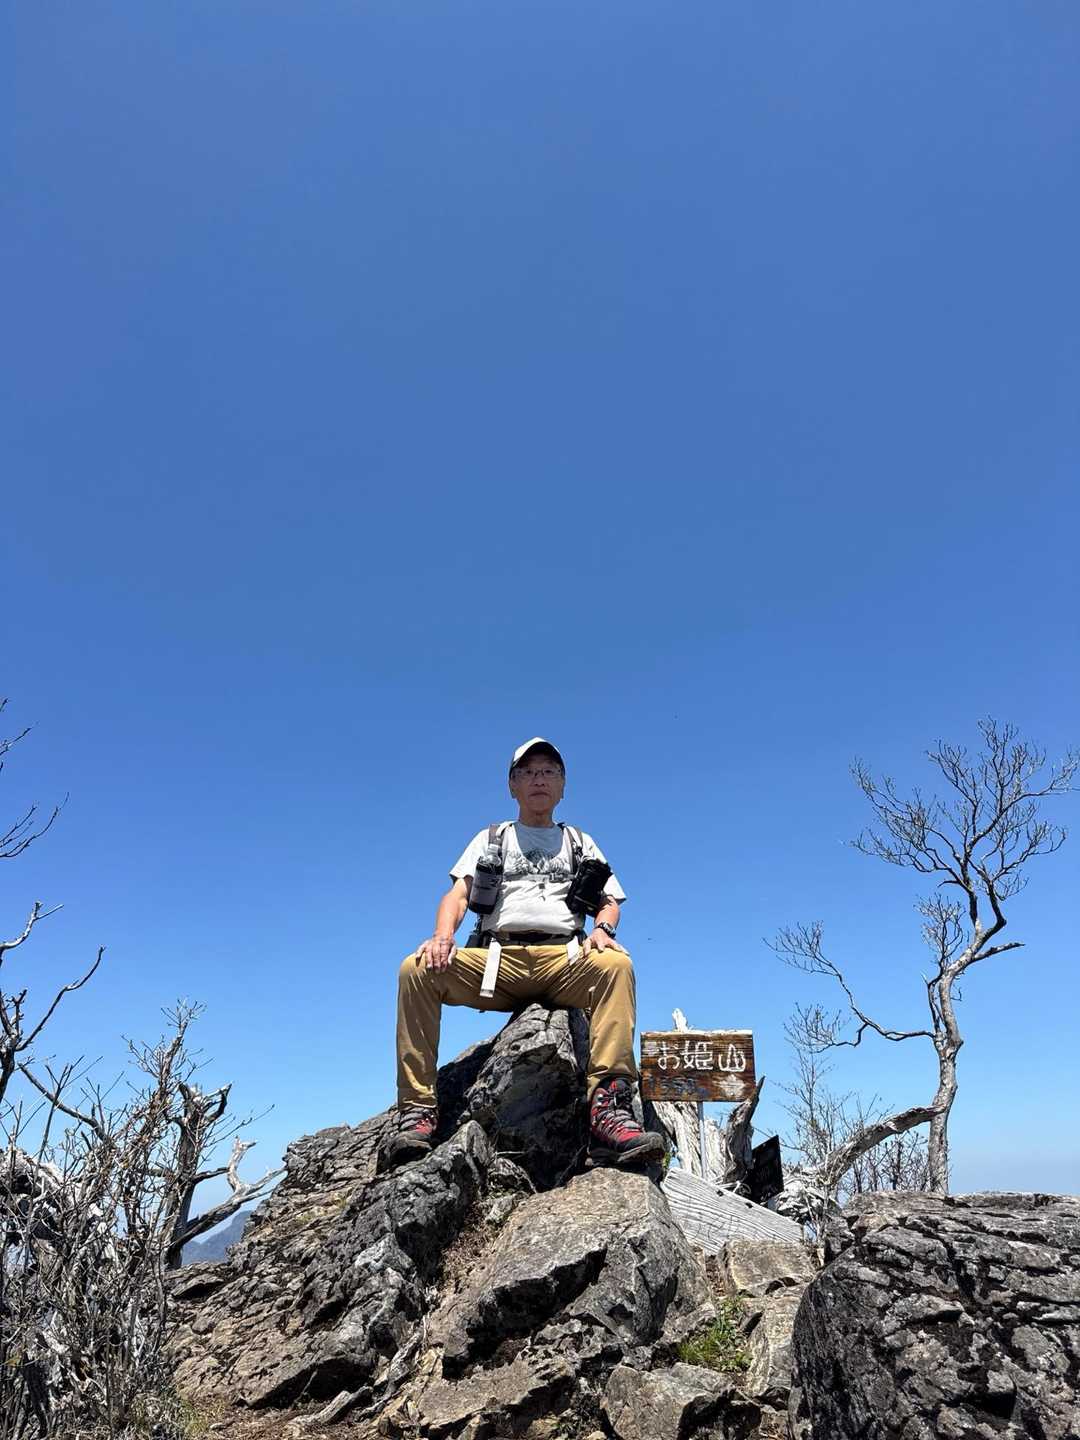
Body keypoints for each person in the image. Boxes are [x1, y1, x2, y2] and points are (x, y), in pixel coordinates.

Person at [384, 737, 665, 1172]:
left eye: (549, 771)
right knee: (416, 970)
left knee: (616, 965)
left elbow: (609, 901)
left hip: (565, 960)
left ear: (563, 786)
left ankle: (608, 1113)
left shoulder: (579, 841)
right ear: (512, 785)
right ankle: (417, 1110)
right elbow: (457, 895)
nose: (539, 779)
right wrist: (442, 936)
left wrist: (603, 930)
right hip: (498, 962)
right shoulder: (491, 838)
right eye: (528, 772)